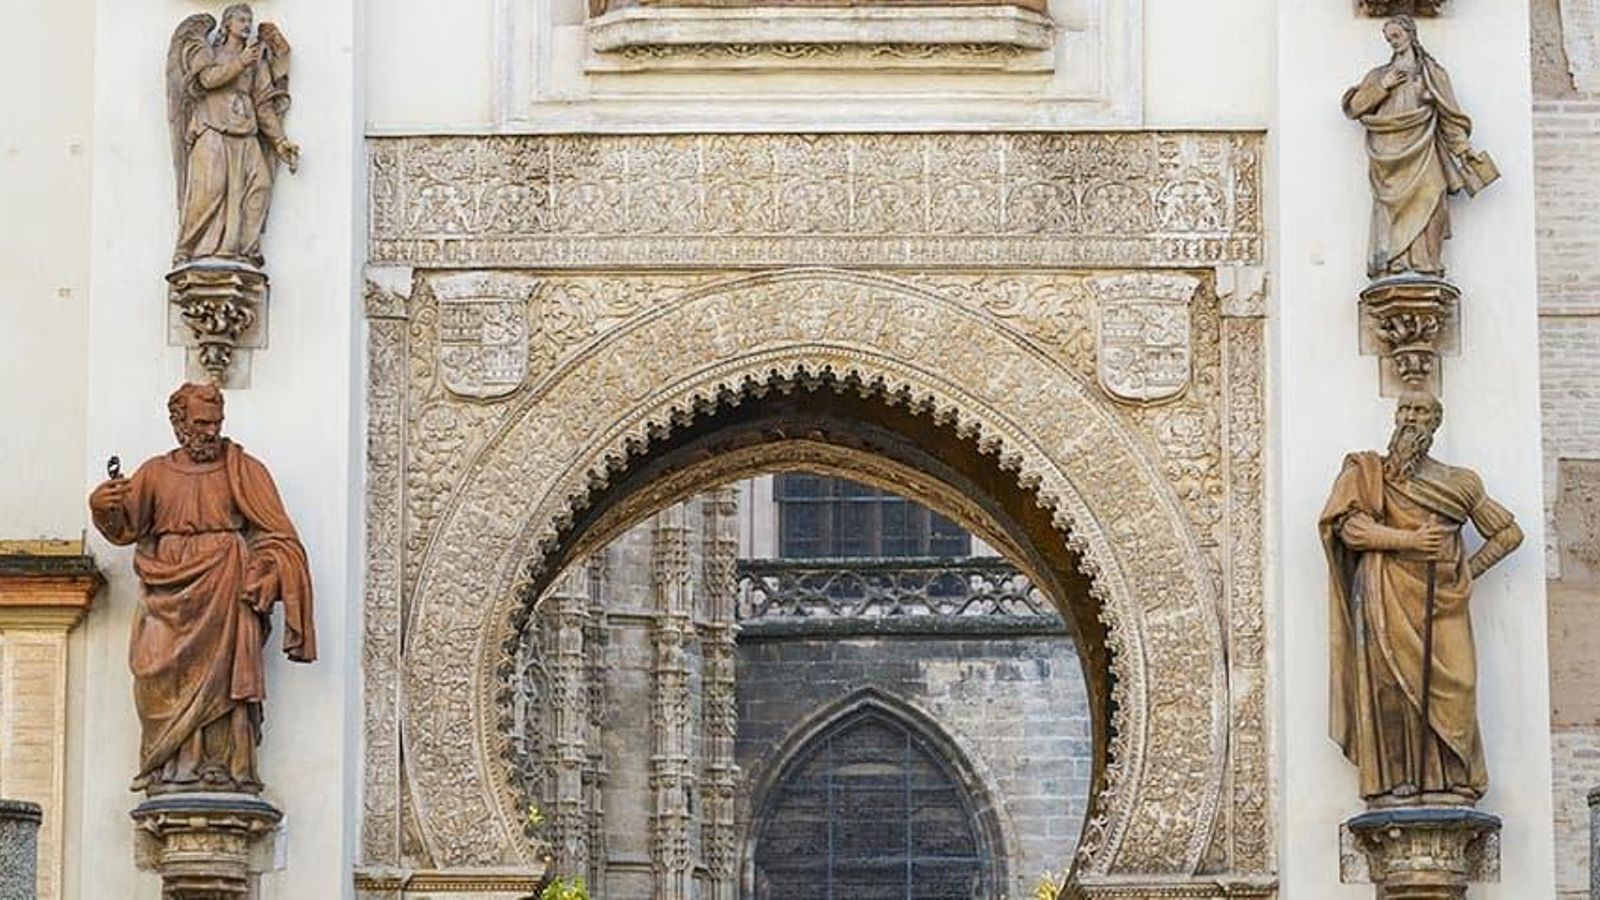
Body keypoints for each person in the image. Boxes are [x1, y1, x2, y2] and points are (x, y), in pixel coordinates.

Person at [88, 383, 315, 794]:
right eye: (200, 423)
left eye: (216, 423)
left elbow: (280, 539)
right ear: (178, 423)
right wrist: (102, 505)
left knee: (225, 682)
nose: (210, 431)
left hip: (225, 590)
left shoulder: (244, 470)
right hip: (167, 593)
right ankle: (168, 765)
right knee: (156, 671)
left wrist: (266, 570)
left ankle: (221, 766)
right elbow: (124, 528)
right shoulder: (155, 474)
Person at [1319, 391, 1521, 804]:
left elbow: (1508, 534)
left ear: (1435, 423)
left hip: (1443, 601)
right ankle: (1399, 778)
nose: (1411, 419)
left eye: (1421, 412)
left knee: (1458, 684)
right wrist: (1408, 539)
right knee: (1392, 686)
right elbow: (1350, 529)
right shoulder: (1366, 472)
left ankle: (1457, 776)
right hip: (1385, 595)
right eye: (1405, 410)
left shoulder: (1460, 482)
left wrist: (1465, 572)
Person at [1342, 16, 1494, 279]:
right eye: (1389, 38)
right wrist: (1383, 87)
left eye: (1396, 36)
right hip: (1389, 151)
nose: (1393, 42)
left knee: (1434, 193)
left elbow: (1448, 116)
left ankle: (1426, 263)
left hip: (1424, 146)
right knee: (1391, 207)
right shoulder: (1379, 75)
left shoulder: (1432, 73)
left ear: (1410, 34)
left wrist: (1463, 149)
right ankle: (1396, 263)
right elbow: (1355, 107)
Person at [168, 4, 299, 267]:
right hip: (212, 128)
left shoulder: (255, 62)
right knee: (210, 189)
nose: (246, 24)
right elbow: (206, 80)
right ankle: (190, 247)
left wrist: (280, 141)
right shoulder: (211, 53)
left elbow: (262, 104)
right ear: (227, 24)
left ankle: (243, 249)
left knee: (259, 184)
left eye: (249, 20)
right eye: (241, 19)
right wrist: (240, 62)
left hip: (245, 131)